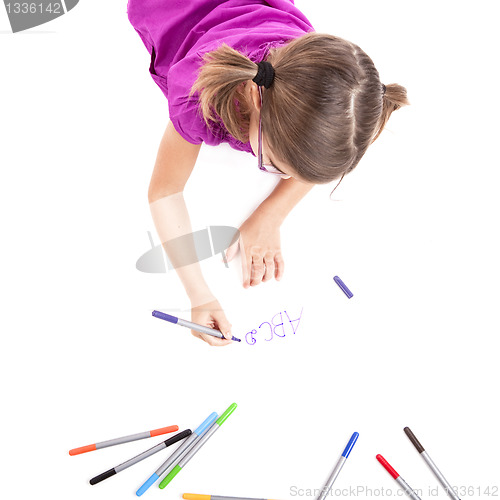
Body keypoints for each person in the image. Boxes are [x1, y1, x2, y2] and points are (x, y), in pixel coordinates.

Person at [127, 0, 409, 346]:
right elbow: (165, 192)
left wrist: (270, 214)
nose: (284, 177)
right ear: (256, 101)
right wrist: (199, 295)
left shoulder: (323, 82)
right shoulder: (199, 97)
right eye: (274, 165)